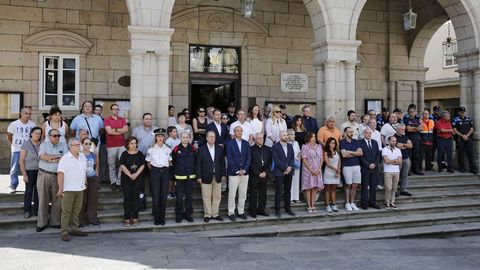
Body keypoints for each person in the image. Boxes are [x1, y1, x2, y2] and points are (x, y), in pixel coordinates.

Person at [36, 129, 69, 232]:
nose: (57, 137)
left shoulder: (63, 145)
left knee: (57, 200)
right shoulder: (43, 145)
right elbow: (42, 156)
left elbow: (65, 158)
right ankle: (42, 223)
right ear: (49, 136)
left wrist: (50, 159)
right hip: (44, 174)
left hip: (58, 176)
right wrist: (55, 158)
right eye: (54, 136)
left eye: (58, 135)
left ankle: (55, 222)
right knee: (43, 200)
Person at [57, 139, 88, 241]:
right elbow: (60, 174)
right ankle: (64, 232)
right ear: (70, 146)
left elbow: (84, 170)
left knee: (77, 210)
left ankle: (75, 229)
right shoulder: (65, 159)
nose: (79, 146)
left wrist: (85, 181)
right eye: (77, 145)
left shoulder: (82, 156)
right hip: (68, 189)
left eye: (79, 144)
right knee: (66, 211)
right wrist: (61, 189)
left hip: (80, 188)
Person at [197, 131, 226, 222]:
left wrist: (223, 174)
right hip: (205, 176)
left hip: (217, 176)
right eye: (210, 137)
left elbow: (222, 163)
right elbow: (198, 164)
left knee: (217, 196)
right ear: (206, 138)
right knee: (206, 196)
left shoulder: (219, 148)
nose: (212, 138)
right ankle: (207, 214)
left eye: (213, 137)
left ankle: (215, 214)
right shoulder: (201, 149)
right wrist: (199, 176)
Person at [6, 107, 36, 194]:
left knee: (30, 168)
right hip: (17, 149)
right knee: (14, 168)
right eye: (26, 113)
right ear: (21, 114)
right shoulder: (14, 124)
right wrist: (14, 144)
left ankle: (31, 186)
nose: (28, 115)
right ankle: (13, 185)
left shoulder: (32, 124)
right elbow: (9, 135)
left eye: (30, 114)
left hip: (28, 150)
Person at [146, 128, 171, 226]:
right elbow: (148, 163)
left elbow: (169, 161)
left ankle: (162, 218)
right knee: (156, 196)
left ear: (164, 137)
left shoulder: (168, 148)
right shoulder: (151, 149)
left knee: (163, 196)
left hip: (165, 171)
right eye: (158, 136)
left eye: (162, 136)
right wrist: (154, 171)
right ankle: (156, 218)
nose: (160, 138)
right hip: (155, 171)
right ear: (155, 137)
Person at [226, 126, 251, 221]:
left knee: (243, 194)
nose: (240, 132)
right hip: (234, 173)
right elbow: (229, 158)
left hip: (245, 173)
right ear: (234, 132)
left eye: (241, 131)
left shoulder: (246, 143)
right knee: (232, 194)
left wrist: (244, 170)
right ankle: (231, 212)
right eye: (238, 131)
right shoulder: (229, 143)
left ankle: (241, 211)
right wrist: (237, 170)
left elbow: (249, 158)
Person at [119, 137, 145, 227]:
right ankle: (126, 218)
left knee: (135, 198)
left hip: (137, 179)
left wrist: (136, 174)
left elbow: (142, 165)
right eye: (131, 143)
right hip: (126, 180)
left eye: (135, 143)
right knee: (127, 198)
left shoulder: (140, 154)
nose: (133, 145)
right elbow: (122, 165)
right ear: (128, 145)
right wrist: (130, 175)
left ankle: (135, 218)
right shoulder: (124, 154)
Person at [172, 131, 197, 223]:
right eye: (183, 137)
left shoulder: (193, 148)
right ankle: (179, 215)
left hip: (190, 177)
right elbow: (173, 163)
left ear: (189, 138)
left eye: (187, 137)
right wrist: (173, 176)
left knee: (189, 197)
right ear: (180, 138)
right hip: (179, 178)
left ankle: (188, 215)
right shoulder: (176, 148)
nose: (185, 139)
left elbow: (196, 162)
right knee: (179, 198)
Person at [104, 103, 128, 191]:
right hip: (111, 145)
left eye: (117, 109)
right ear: (111, 110)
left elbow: (126, 129)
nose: (116, 110)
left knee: (123, 164)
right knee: (112, 165)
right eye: (114, 109)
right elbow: (109, 132)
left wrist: (115, 130)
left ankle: (119, 182)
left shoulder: (122, 119)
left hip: (122, 145)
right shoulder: (107, 120)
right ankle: (113, 182)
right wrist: (119, 130)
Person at [19, 127, 42, 219]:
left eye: (40, 133)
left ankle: (36, 210)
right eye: (36, 133)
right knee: (29, 191)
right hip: (29, 171)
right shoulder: (26, 144)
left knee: (38, 191)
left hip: (40, 171)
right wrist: (24, 175)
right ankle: (27, 210)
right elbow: (21, 161)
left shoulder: (42, 144)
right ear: (31, 133)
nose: (38, 135)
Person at [248, 132, 272, 218]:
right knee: (253, 193)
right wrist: (258, 173)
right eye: (259, 138)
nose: (261, 140)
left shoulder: (267, 149)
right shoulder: (251, 149)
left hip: (265, 174)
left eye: (262, 138)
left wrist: (266, 172)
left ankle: (261, 210)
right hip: (255, 175)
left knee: (263, 193)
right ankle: (253, 211)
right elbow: (250, 163)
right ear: (255, 139)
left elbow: (270, 162)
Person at [340, 127, 363, 211]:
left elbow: (360, 153)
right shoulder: (342, 142)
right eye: (350, 132)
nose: (351, 133)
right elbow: (344, 155)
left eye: (352, 132)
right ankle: (347, 203)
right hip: (347, 166)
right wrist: (355, 153)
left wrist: (350, 152)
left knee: (355, 185)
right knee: (348, 185)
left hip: (356, 165)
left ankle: (352, 202)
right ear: (345, 133)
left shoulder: (355, 141)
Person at [79, 137, 101, 227]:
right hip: (82, 179)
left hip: (92, 178)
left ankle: (92, 219)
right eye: (86, 143)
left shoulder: (93, 154)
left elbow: (97, 163)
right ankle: (81, 221)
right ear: (82, 144)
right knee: (81, 200)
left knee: (92, 199)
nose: (88, 145)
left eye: (89, 144)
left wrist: (96, 172)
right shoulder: (79, 155)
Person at [301, 132, 324, 213]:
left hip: (317, 169)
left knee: (314, 188)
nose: (314, 138)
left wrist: (319, 169)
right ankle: (309, 206)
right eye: (312, 137)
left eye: (314, 136)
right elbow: (304, 159)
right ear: (308, 138)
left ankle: (313, 205)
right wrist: (311, 170)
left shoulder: (319, 146)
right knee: (308, 188)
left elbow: (321, 158)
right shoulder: (304, 146)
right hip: (308, 170)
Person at [359, 128, 381, 210]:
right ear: (364, 134)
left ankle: (373, 202)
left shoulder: (375, 142)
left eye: (370, 133)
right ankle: (364, 203)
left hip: (374, 168)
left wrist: (375, 164)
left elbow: (378, 155)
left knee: (373, 186)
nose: (368, 134)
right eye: (367, 133)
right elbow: (361, 156)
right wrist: (368, 164)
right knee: (364, 186)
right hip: (365, 168)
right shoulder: (360, 143)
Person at [453, 107, 476, 174]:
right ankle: (461, 168)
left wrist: (467, 135)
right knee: (461, 154)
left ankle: (473, 169)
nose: (462, 113)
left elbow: (472, 128)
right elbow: (454, 130)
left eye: (463, 112)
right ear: (458, 112)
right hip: (460, 139)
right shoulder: (455, 119)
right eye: (461, 112)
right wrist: (462, 136)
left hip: (468, 138)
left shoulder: (468, 119)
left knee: (470, 154)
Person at [382, 136, 403, 210]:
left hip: (396, 171)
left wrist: (391, 161)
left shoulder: (398, 150)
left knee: (394, 188)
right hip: (387, 171)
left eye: (395, 141)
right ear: (389, 141)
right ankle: (387, 202)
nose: (394, 142)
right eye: (392, 141)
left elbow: (400, 161)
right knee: (388, 188)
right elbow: (386, 161)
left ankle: (392, 202)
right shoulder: (384, 149)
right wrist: (395, 161)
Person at [322, 137, 341, 213]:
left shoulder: (337, 152)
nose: (333, 144)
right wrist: (336, 169)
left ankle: (333, 204)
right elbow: (328, 163)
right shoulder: (326, 152)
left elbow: (339, 161)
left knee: (333, 189)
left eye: (334, 143)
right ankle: (327, 205)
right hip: (328, 172)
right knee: (327, 189)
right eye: (332, 142)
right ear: (328, 143)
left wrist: (338, 170)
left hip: (336, 172)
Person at [404, 106, 423, 175]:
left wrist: (413, 128)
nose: (413, 113)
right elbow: (408, 129)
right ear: (408, 112)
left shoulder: (417, 119)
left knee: (416, 155)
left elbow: (421, 128)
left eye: (414, 112)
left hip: (416, 139)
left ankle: (415, 169)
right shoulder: (406, 119)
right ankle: (408, 170)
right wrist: (416, 128)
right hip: (409, 139)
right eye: (411, 112)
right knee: (408, 155)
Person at [394, 124, 413, 197]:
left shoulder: (405, 137)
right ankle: (394, 190)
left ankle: (403, 189)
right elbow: (395, 146)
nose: (403, 131)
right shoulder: (393, 137)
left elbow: (411, 145)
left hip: (405, 158)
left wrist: (403, 145)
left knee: (405, 175)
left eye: (404, 129)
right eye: (402, 129)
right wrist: (405, 145)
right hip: (397, 159)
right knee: (396, 176)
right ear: (397, 129)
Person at [93, 104, 109, 184]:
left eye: (99, 110)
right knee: (93, 161)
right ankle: (95, 179)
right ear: (94, 111)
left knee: (103, 161)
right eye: (96, 110)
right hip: (93, 143)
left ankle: (103, 178)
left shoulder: (104, 120)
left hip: (102, 143)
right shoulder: (91, 120)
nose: (98, 111)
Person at [165, 126, 180, 200]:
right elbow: (168, 153)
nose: (175, 133)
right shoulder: (168, 141)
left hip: (178, 161)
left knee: (175, 178)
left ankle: (174, 192)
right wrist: (170, 162)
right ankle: (169, 192)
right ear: (169, 133)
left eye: (176, 131)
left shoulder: (178, 140)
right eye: (174, 131)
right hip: (171, 161)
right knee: (171, 178)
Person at [287, 129, 301, 204]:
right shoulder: (286, 143)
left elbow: (299, 152)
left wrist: (298, 161)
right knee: (290, 181)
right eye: (292, 134)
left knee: (296, 181)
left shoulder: (296, 143)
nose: (293, 136)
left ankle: (296, 197)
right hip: (289, 164)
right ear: (288, 135)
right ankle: (290, 197)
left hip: (296, 163)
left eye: (294, 134)